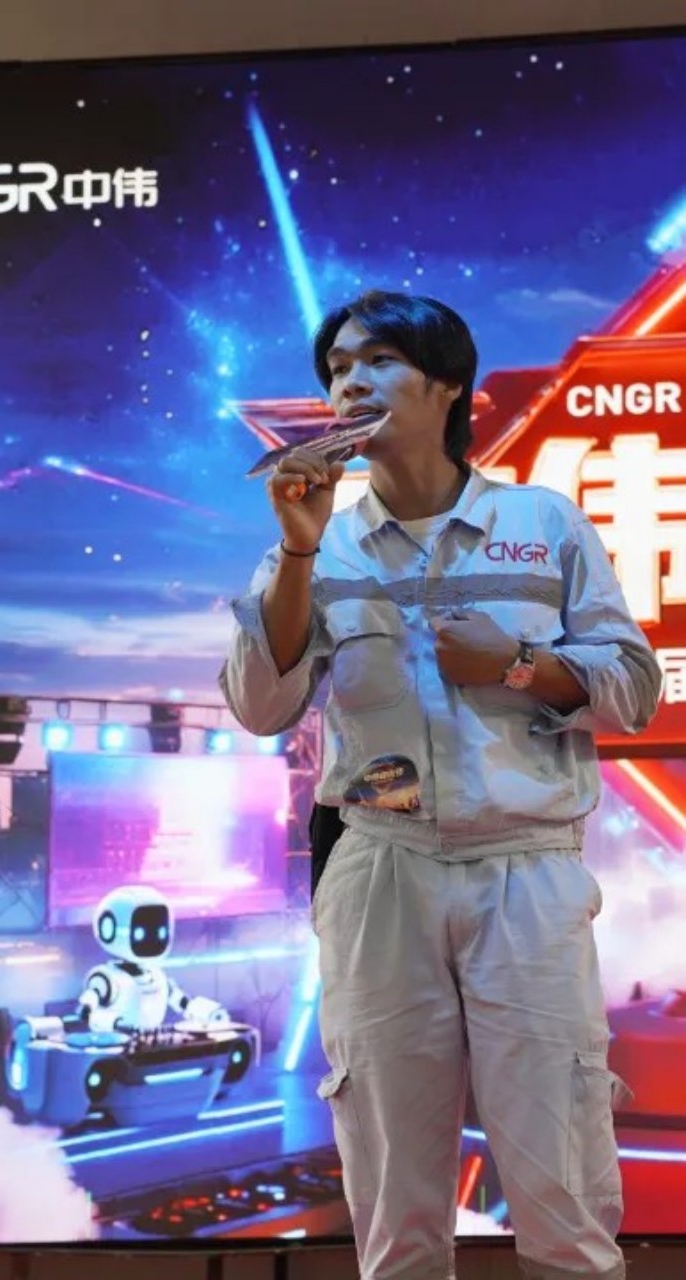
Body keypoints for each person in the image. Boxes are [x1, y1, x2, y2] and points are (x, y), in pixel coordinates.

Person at [219, 291, 661, 1280]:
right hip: (382, 871)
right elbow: (258, 702)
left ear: (448, 383)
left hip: (524, 871)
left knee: (562, 1191)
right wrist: (297, 547)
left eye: (377, 360)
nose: (350, 383)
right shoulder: (319, 541)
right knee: (394, 1207)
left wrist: (519, 664)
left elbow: (634, 687)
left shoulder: (541, 522)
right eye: (337, 368)